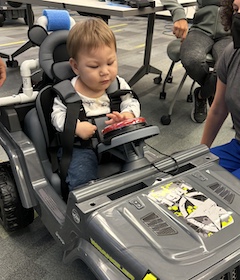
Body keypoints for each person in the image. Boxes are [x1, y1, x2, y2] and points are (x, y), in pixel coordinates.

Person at [51, 18, 140, 191]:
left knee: (140, 160)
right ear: (76, 66)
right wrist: (75, 127)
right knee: (81, 176)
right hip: (80, 147)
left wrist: (127, 115)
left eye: (110, 62)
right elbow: (57, 116)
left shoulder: (118, 84)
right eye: (94, 66)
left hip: (116, 139)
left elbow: (131, 101)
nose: (105, 71)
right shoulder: (68, 91)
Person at [161, 0, 232, 123]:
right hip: (200, 30)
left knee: (227, 66)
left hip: (229, 33)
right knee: (191, 59)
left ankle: (201, 94)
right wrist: (178, 12)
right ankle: (211, 91)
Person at [201, 0, 240, 179]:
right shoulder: (232, 53)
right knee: (193, 175)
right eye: (236, 9)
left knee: (230, 192)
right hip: (238, 147)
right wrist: (200, 153)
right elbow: (218, 109)